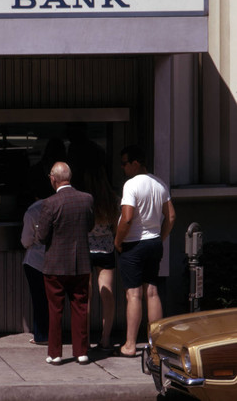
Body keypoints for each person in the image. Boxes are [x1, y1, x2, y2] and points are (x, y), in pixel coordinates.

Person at [114, 145, 176, 357]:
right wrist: (161, 237)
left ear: (135, 163)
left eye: (125, 163)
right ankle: (156, 345)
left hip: (133, 244)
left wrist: (118, 241)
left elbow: (127, 217)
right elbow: (171, 216)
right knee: (152, 291)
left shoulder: (131, 185)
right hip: (154, 242)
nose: (123, 167)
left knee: (133, 294)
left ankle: (130, 345)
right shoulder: (160, 184)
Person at [37, 162, 94, 365]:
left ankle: (55, 353)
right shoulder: (87, 199)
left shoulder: (50, 203)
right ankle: (81, 351)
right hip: (80, 263)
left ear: (53, 178)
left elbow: (42, 237)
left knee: (55, 310)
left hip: (55, 265)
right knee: (80, 307)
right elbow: (90, 226)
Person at [84, 166, 119, 352]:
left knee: (86, 296)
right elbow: (116, 225)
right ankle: (105, 338)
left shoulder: (84, 199)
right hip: (106, 248)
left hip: (86, 248)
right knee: (107, 294)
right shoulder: (112, 199)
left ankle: (86, 339)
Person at [21, 190, 50, 345]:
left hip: (35, 261)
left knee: (39, 300)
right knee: (54, 300)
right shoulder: (58, 206)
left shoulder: (32, 211)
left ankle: (41, 334)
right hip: (56, 260)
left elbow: (25, 240)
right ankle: (52, 333)